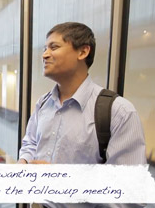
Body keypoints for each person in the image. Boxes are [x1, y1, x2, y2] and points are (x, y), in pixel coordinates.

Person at [18, 22, 146, 207]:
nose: (44, 55)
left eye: (54, 47)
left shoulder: (118, 112)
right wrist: (24, 162)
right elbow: (30, 143)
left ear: (83, 52)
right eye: (45, 48)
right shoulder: (43, 103)